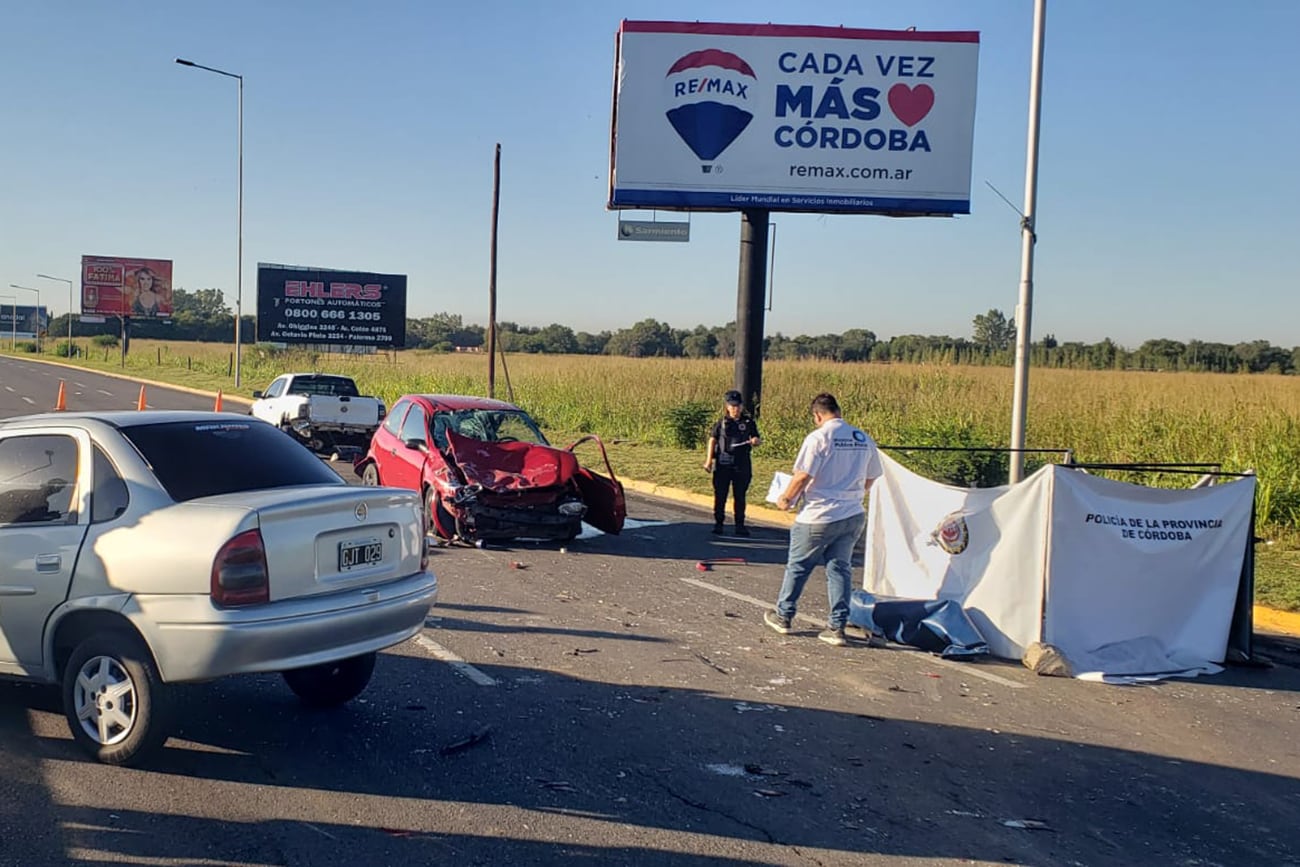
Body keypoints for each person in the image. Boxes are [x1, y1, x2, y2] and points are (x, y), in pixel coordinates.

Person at [764, 392, 882, 647]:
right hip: (852, 513)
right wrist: (854, 494)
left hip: (818, 514)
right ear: (837, 411)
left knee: (798, 566)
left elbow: (802, 476)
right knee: (840, 569)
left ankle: (784, 615)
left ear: (817, 415)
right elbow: (872, 477)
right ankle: (836, 627)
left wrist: (785, 499)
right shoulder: (862, 437)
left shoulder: (819, 437)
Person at [703, 389, 760, 536]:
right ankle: (719, 523)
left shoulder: (748, 422)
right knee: (720, 495)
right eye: (732, 406)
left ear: (741, 406)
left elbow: (756, 438)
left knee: (740, 495)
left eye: (738, 406)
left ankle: (740, 525)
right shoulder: (721, 423)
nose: (735, 409)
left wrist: (755, 441)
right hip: (723, 462)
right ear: (727, 407)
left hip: (742, 463)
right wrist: (709, 460)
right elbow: (712, 440)